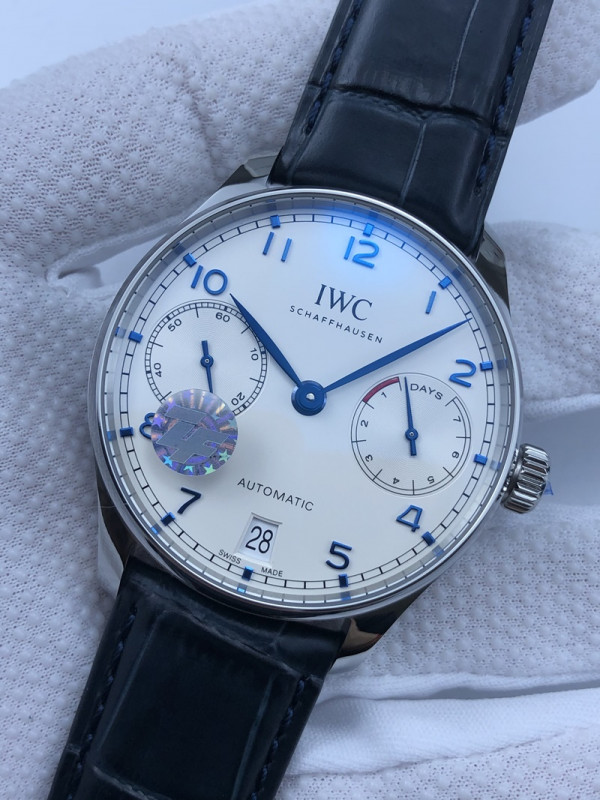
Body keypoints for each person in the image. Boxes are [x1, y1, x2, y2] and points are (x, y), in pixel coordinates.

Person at [1, 1, 599, 797]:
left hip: (272, 577)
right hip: (194, 549)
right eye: (304, 385)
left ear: (510, 475)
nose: (309, 394)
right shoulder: (248, 253)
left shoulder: (262, 253)